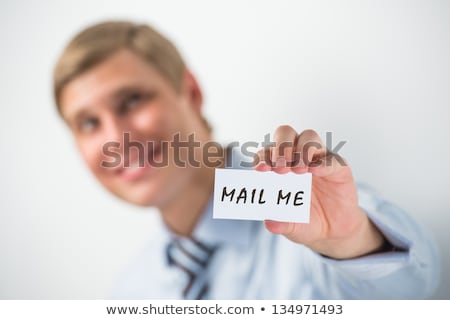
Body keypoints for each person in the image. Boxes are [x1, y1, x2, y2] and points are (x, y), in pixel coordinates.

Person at [53, 20, 440, 299]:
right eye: (88, 123)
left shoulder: (302, 209)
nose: (116, 138)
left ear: (190, 91)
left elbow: (410, 291)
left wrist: (351, 240)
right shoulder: (130, 293)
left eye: (132, 100)